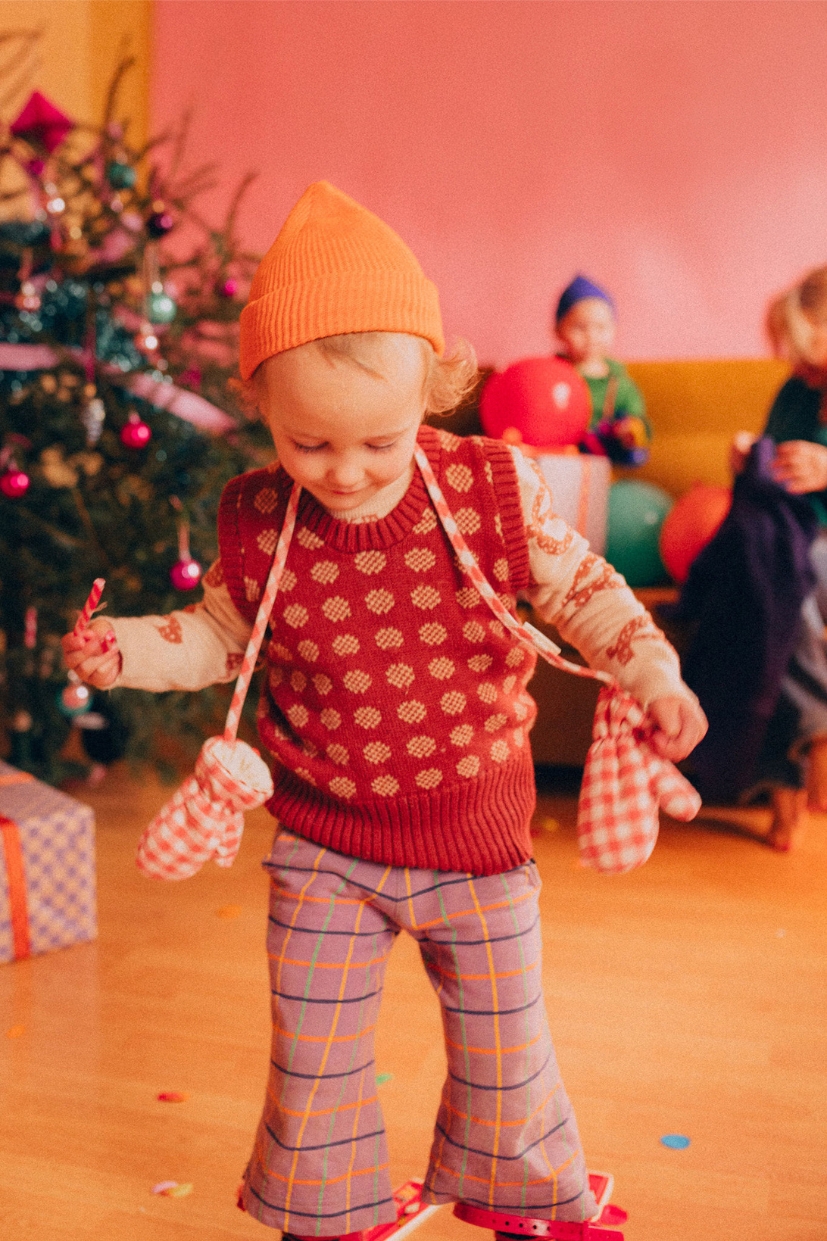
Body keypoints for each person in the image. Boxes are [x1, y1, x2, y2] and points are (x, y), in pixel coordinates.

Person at [62, 182, 706, 1239]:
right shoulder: (257, 519)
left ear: (431, 392)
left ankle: (519, 1187)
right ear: (263, 404)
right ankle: (327, 1206)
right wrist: (122, 648)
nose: (347, 472)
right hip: (325, 844)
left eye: (380, 440)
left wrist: (653, 673)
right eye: (309, 443)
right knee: (313, 1051)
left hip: (477, 836)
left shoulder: (490, 488)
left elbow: (584, 590)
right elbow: (214, 635)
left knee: (506, 1042)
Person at [729, 265, 827, 849]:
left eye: (808, 353)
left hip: (813, 548)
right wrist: (749, 462)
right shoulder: (795, 392)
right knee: (762, 592)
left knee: (790, 578)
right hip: (791, 540)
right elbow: (767, 476)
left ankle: (795, 767)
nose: (798, 368)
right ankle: (807, 747)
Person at [554, 275, 650, 465]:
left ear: (614, 329)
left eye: (601, 327)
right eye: (580, 327)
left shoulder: (620, 384)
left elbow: (638, 422)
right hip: (558, 462)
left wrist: (631, 431)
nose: (591, 336)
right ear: (558, 330)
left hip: (605, 467)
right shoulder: (551, 375)